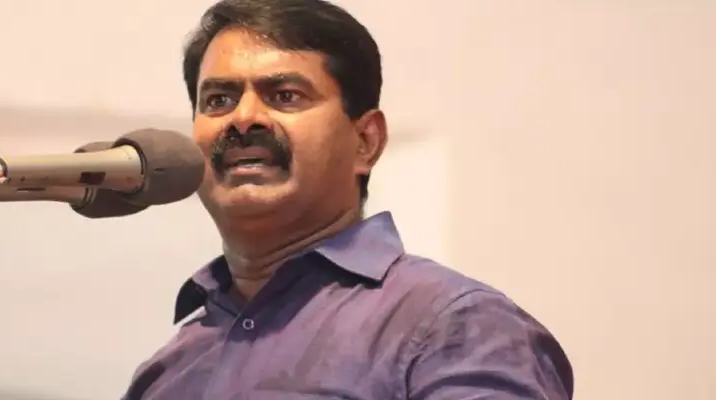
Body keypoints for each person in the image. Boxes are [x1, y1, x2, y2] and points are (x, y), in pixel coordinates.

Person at [122, 0, 574, 398]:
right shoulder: (168, 371)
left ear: (365, 142)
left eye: (285, 96)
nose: (243, 118)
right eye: (219, 100)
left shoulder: (451, 324)